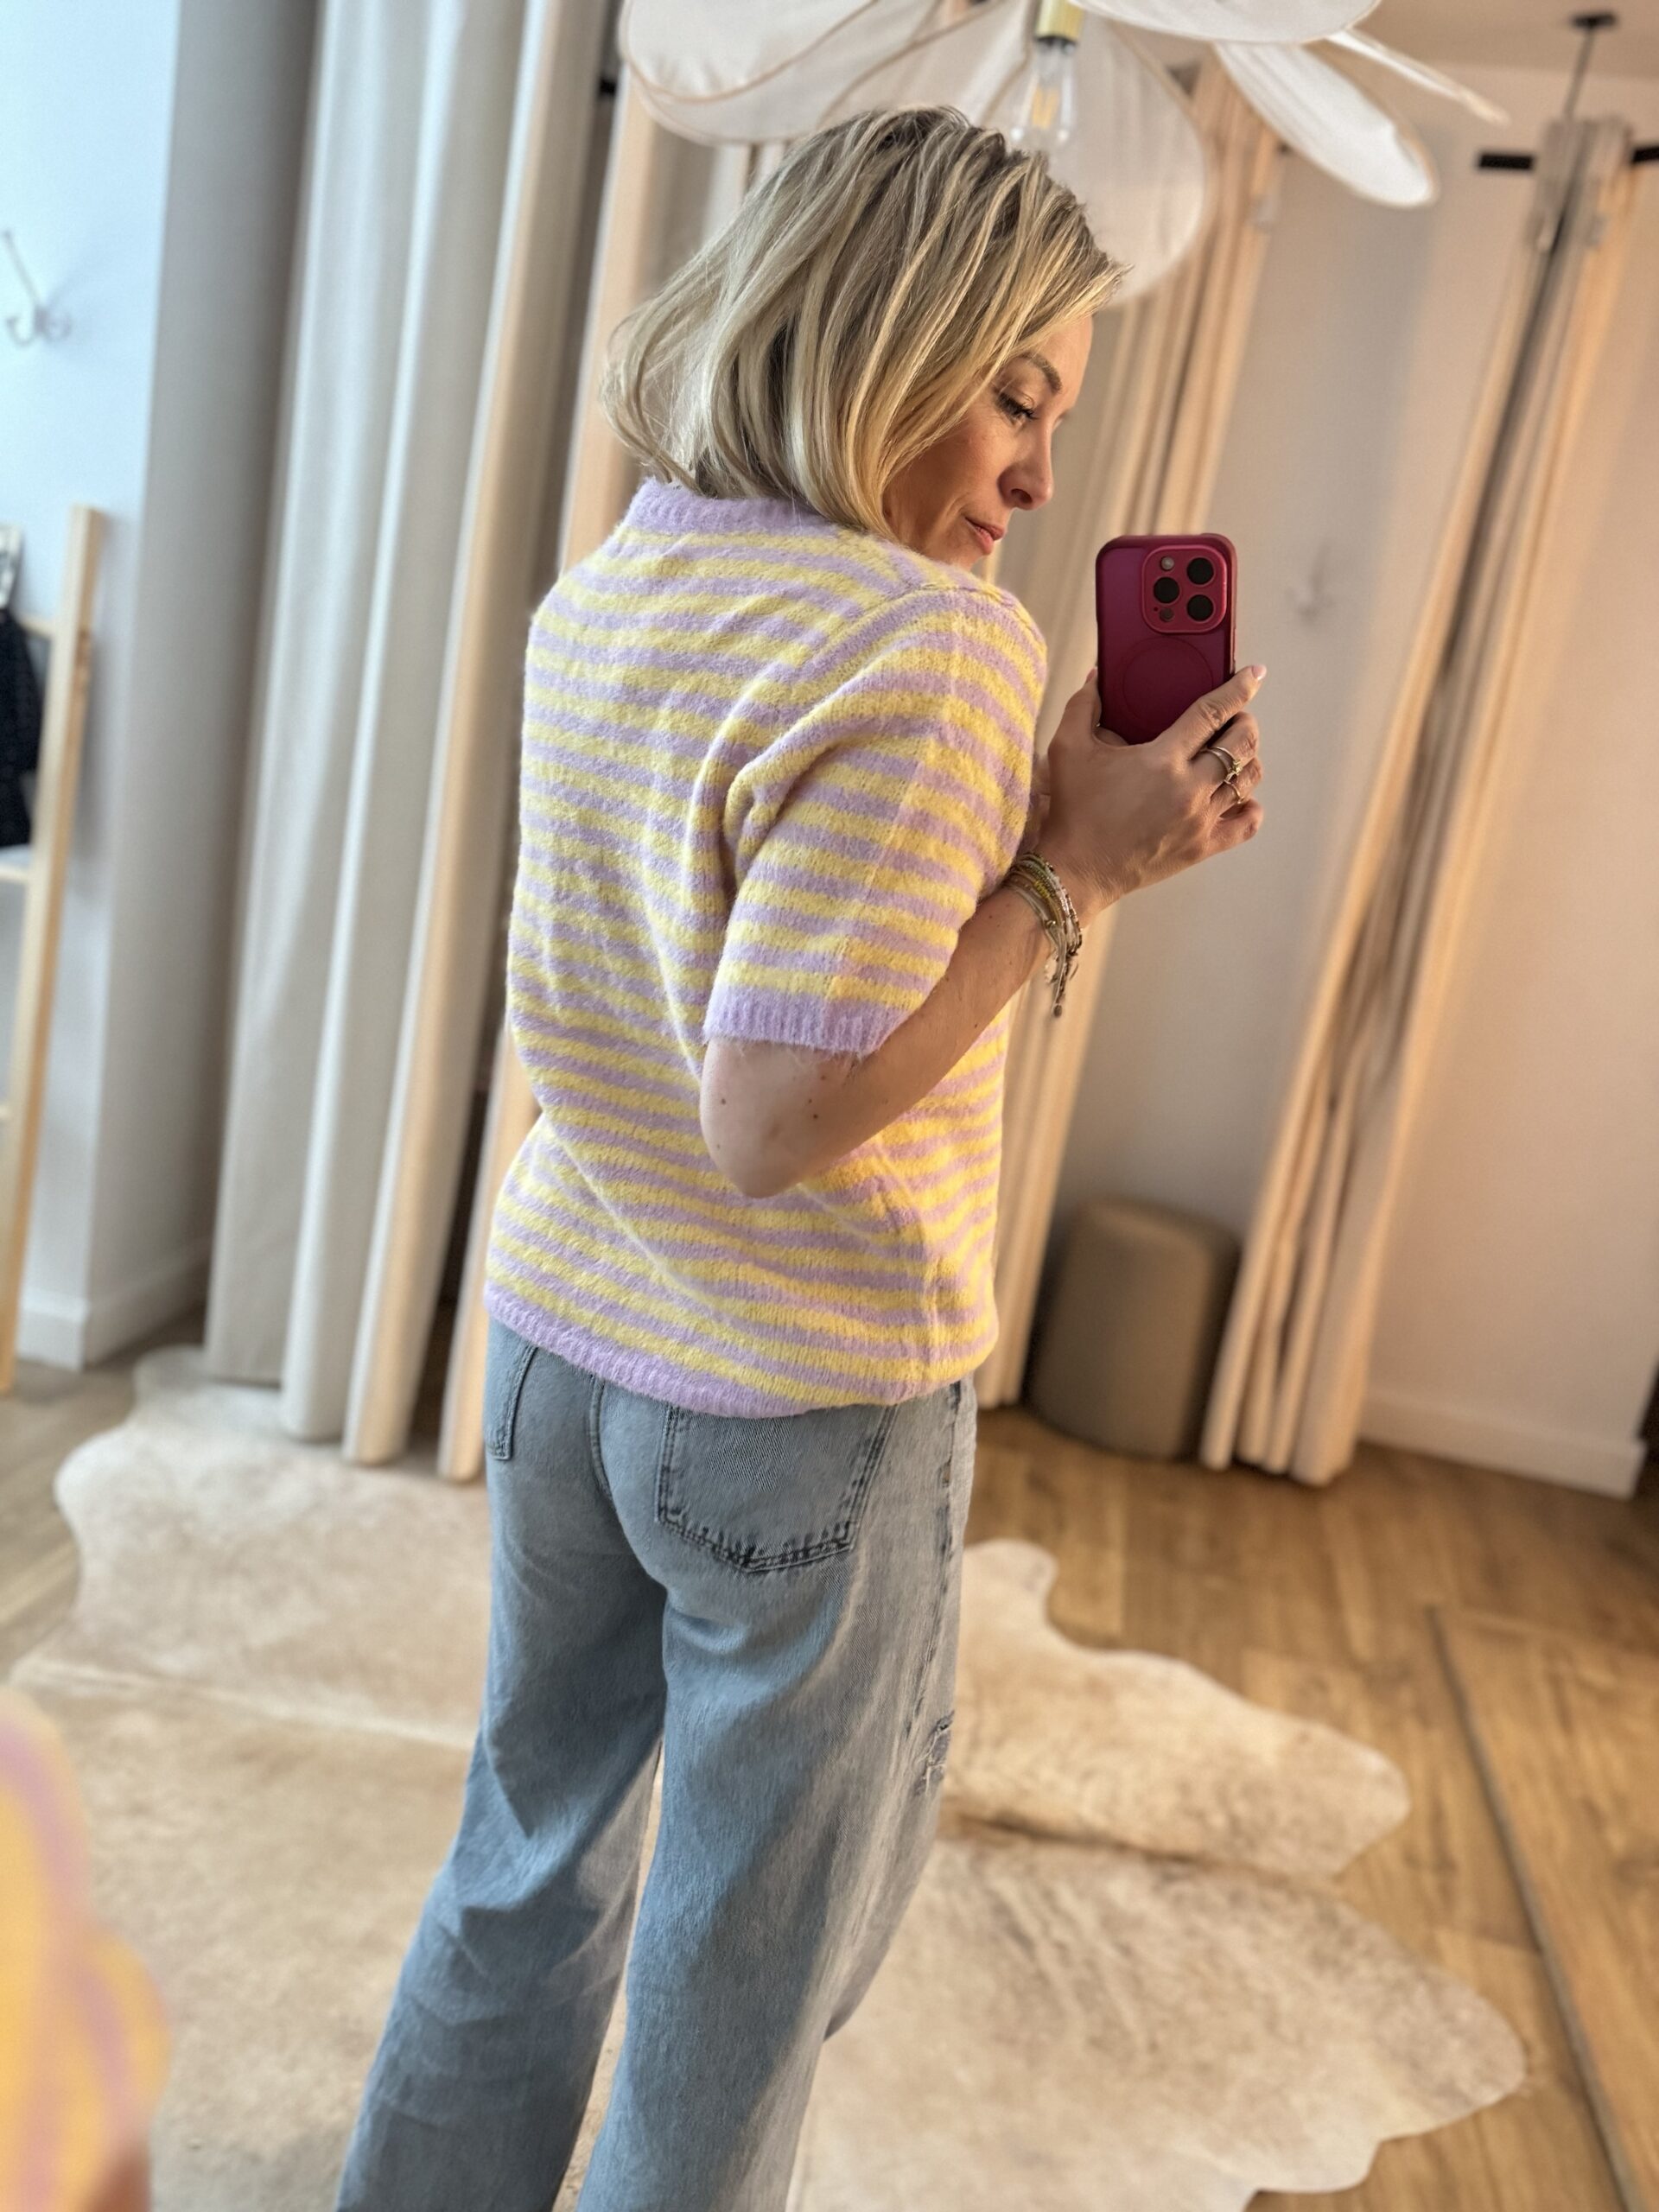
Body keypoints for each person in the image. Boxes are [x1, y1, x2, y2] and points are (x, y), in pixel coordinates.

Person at [333, 104, 1265, 2212]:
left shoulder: (620, 580)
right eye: (1015, 395)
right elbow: (776, 1117)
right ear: (881, 337)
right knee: (741, 1976)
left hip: (564, 1342)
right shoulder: (936, 644)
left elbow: (714, 1007)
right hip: (800, 1398)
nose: (1040, 473)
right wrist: (1077, 874)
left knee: (526, 1853)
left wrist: (1031, 830)